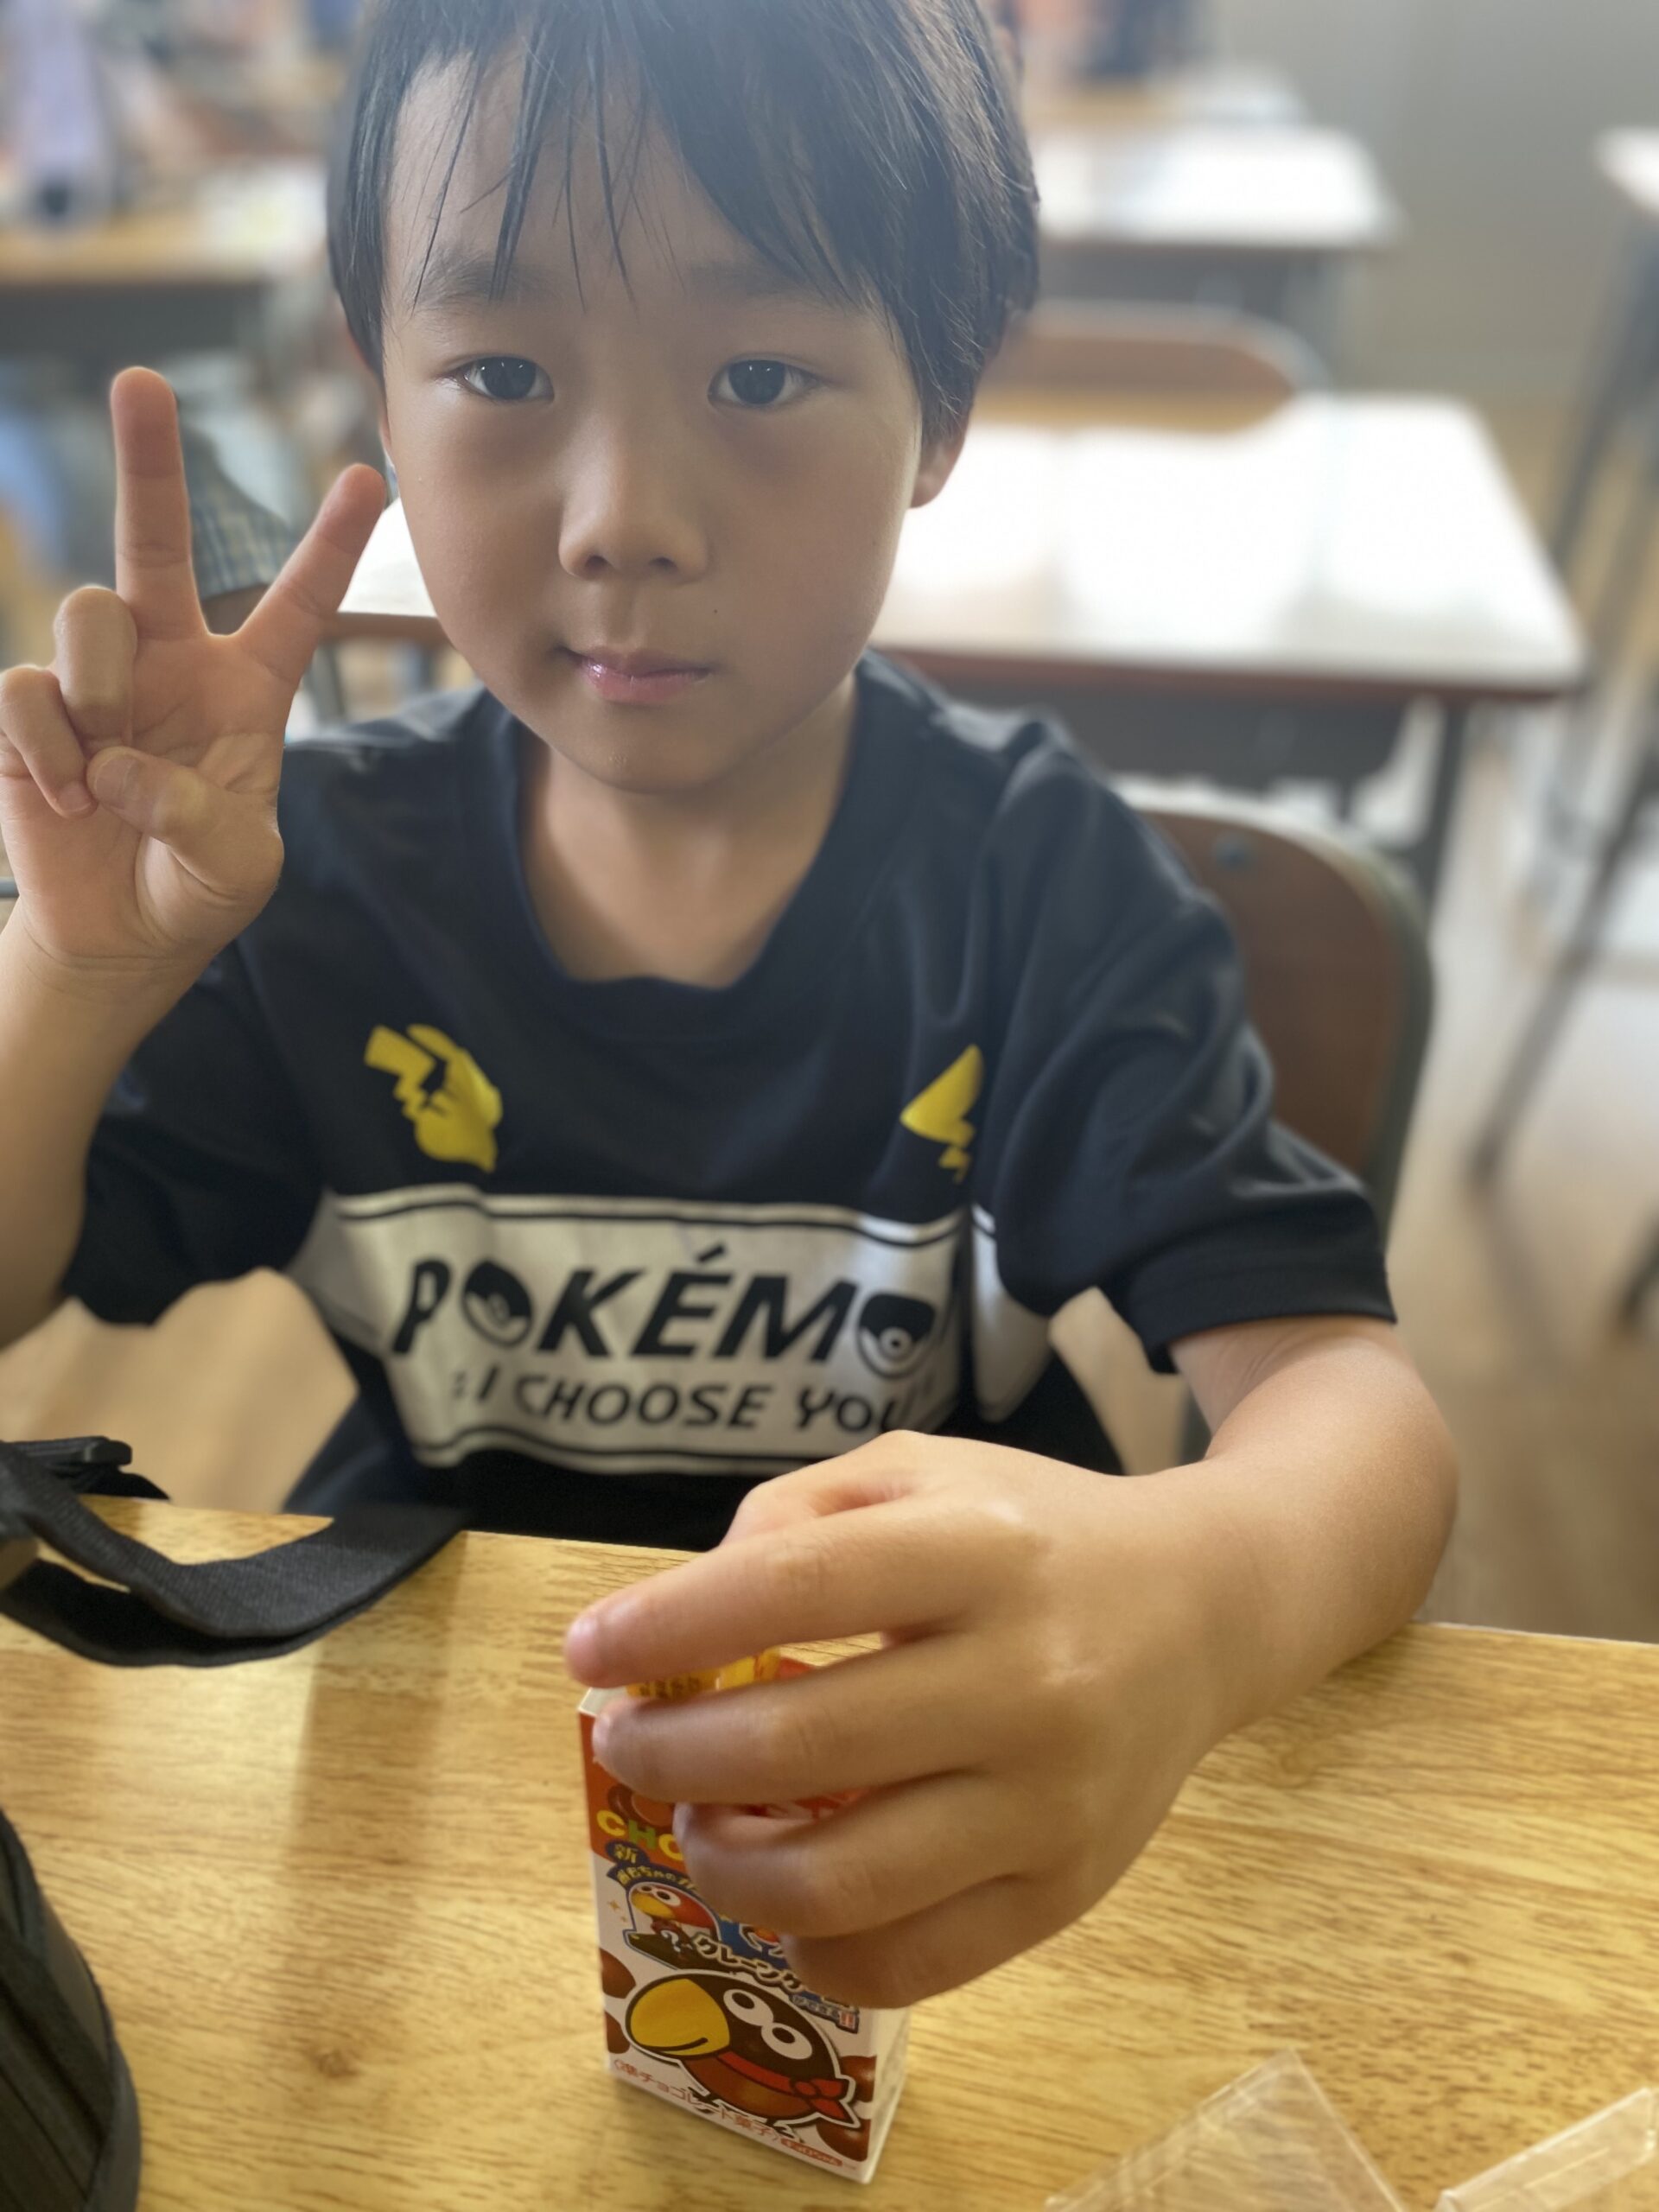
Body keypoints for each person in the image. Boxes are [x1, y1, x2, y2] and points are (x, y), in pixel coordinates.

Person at [0, 0, 1455, 2010]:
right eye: (503, 372)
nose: (624, 515)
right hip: (439, 1789)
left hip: (941, 1794)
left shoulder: (1041, 890)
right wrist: (74, 973)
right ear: (378, 386)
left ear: (941, 410)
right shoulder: (302, 885)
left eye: (760, 373)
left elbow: (1356, 1409)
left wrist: (1206, 1598)